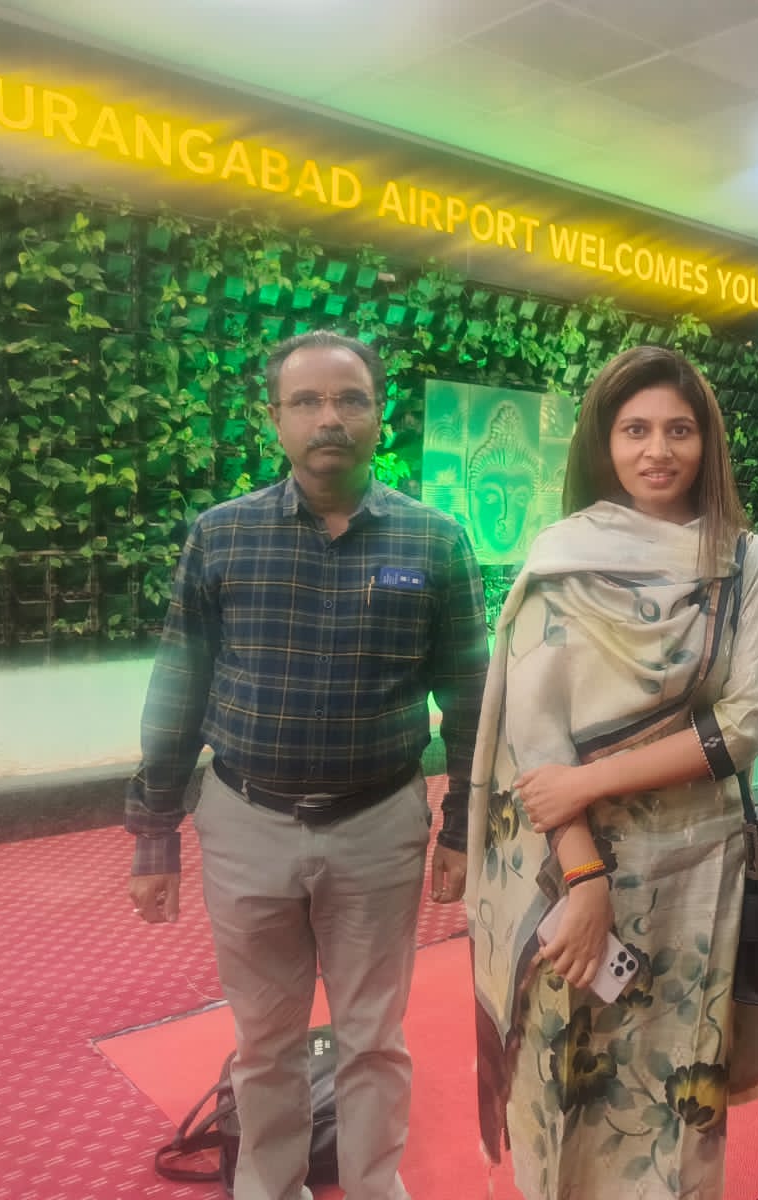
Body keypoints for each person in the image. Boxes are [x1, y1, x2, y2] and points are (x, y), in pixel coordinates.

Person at [125, 330, 489, 1200]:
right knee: (265, 1041)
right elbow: (179, 687)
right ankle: (270, 1186)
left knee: (374, 1039)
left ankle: (372, 1185)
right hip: (246, 823)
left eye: (350, 399)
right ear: (275, 420)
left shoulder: (435, 540)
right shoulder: (221, 536)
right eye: (308, 401)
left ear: (378, 413)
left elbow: (472, 701)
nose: (330, 418)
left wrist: (462, 828)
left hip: (378, 826)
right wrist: (154, 834)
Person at [465, 345, 758, 1200]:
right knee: (566, 1074)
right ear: (603, 444)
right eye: (635, 430)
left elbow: (743, 726)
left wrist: (588, 782)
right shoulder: (563, 556)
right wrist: (584, 876)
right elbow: (536, 741)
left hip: (697, 868)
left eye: (679, 430)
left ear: (707, 442)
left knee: (675, 1084)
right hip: (570, 862)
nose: (658, 450)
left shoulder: (748, 562)